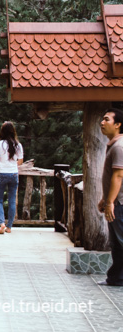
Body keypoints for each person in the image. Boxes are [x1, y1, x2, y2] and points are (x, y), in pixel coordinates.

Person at [98, 108, 123, 286]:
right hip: (115, 201)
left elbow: (119, 175)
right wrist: (104, 198)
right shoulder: (113, 145)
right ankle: (116, 277)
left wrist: (110, 202)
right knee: (116, 243)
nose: (102, 122)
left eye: (107, 119)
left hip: (119, 203)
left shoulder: (120, 146)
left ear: (118, 124)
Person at [0, 121, 24, 234]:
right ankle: (9, 227)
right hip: (14, 174)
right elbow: (20, 161)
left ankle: (2, 224)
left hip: (1, 173)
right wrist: (12, 165)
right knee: (11, 201)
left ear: (2, 131)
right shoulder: (18, 145)